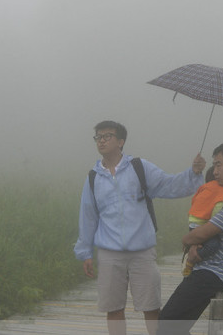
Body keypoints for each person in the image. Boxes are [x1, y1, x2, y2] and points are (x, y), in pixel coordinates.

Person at [74, 120, 206, 335]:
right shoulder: (93, 178)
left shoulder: (139, 168)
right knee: (113, 308)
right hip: (109, 253)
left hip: (142, 252)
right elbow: (88, 217)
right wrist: (85, 252)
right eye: (98, 137)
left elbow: (168, 185)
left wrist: (193, 173)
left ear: (121, 141)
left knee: (151, 306)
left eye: (107, 136)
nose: (102, 140)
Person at [158, 142, 223, 335]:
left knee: (166, 323)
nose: (215, 170)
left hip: (213, 273)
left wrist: (187, 239)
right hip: (211, 271)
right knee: (173, 326)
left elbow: (202, 233)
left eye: (219, 164)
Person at [181, 166, 223, 276]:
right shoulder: (221, 190)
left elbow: (194, 200)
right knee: (213, 244)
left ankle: (192, 246)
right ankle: (192, 259)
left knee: (198, 240)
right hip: (203, 224)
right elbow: (217, 210)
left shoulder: (204, 188)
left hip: (192, 222)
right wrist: (215, 223)